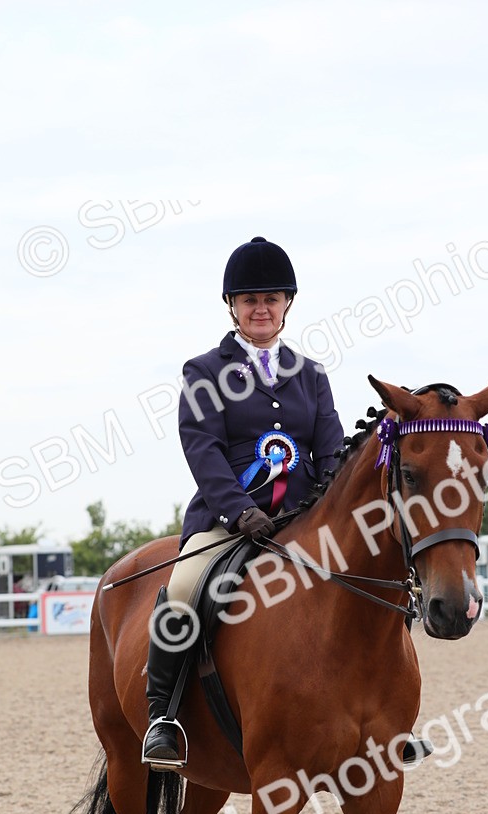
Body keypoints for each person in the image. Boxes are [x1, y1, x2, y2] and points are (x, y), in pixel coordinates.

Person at [142, 236, 345, 768]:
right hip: (228, 521)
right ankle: (163, 717)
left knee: (369, 573)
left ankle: (385, 714)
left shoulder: (311, 375)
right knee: (183, 586)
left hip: (303, 519)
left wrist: (327, 508)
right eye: (250, 299)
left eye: (271, 298)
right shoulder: (205, 371)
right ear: (232, 306)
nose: (261, 308)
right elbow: (202, 447)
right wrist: (239, 510)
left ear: (287, 304)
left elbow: (331, 451)